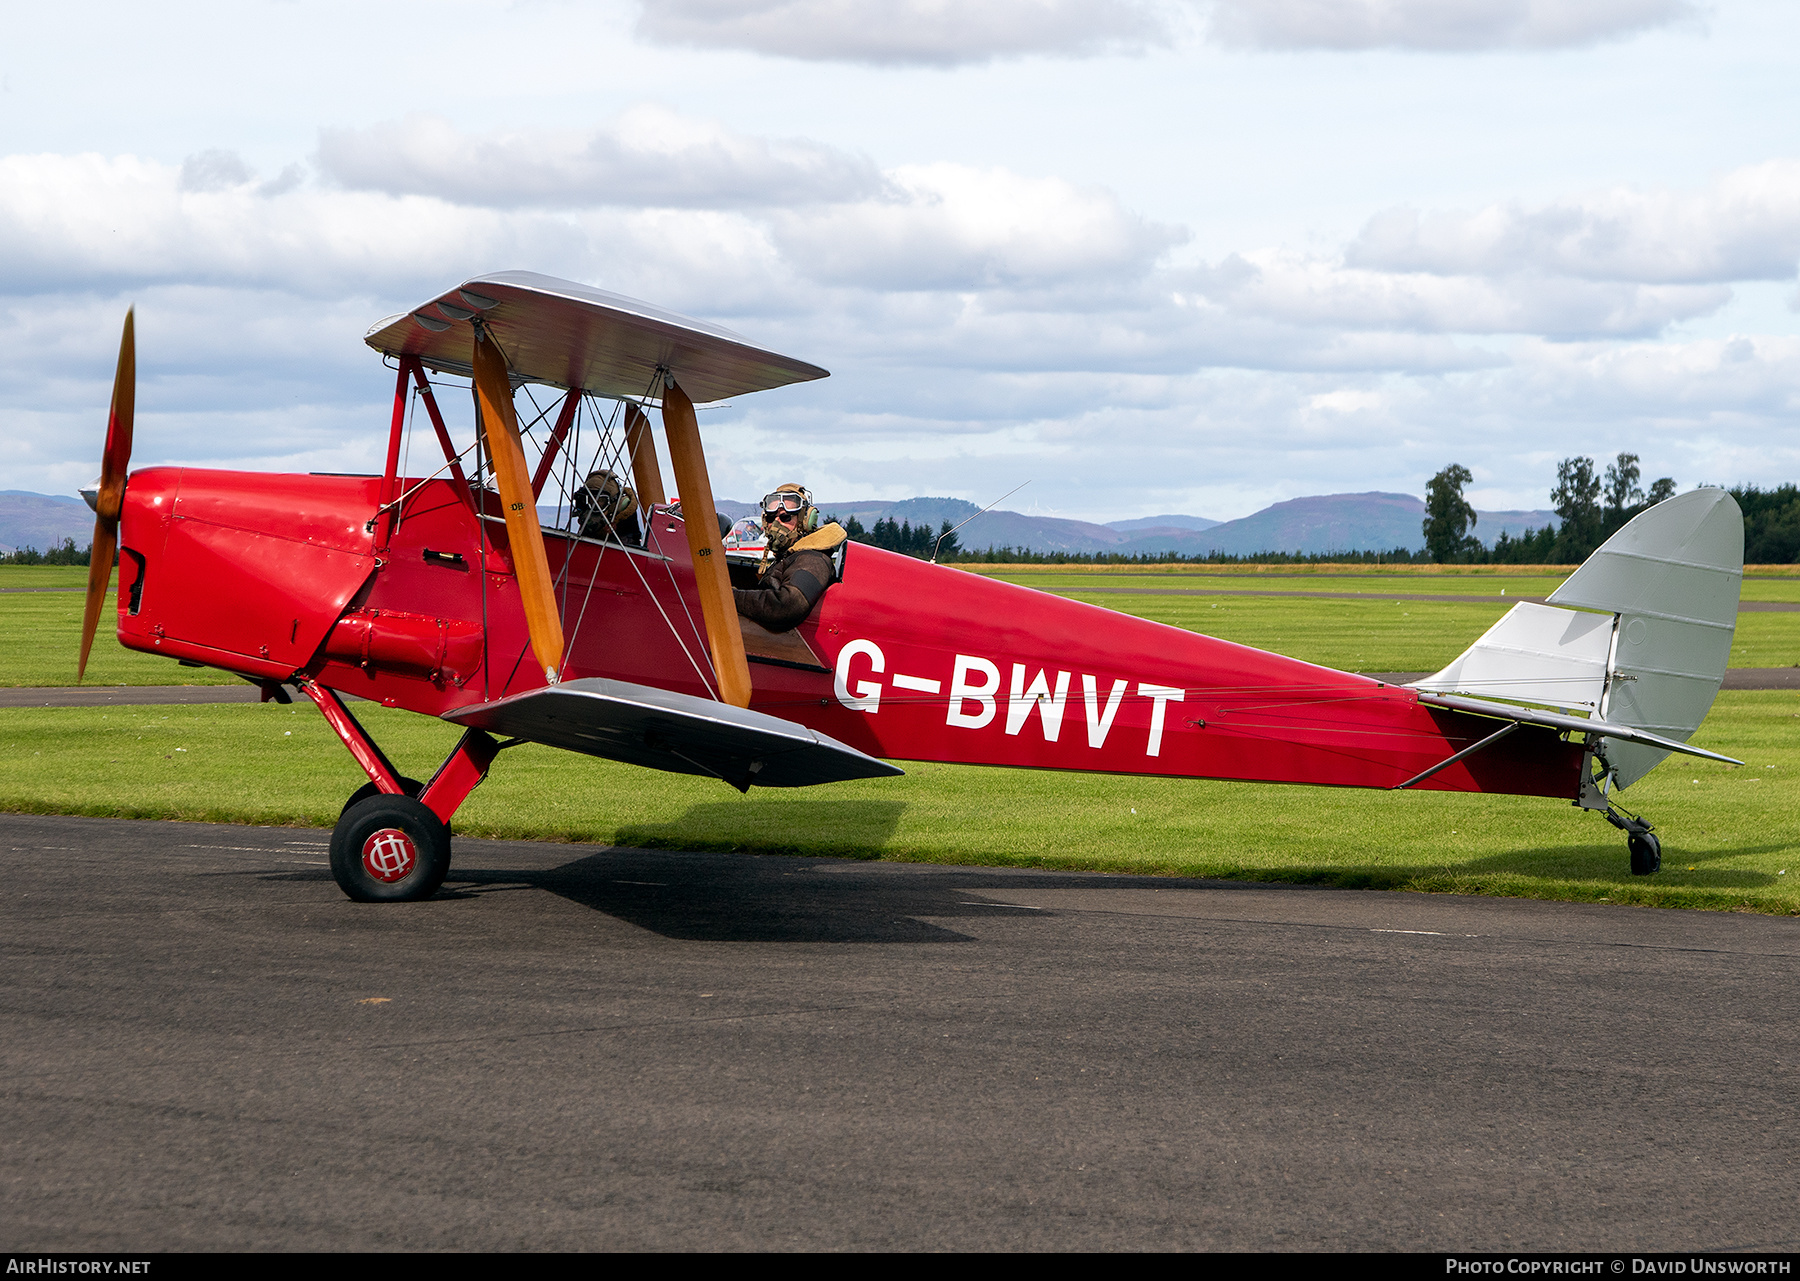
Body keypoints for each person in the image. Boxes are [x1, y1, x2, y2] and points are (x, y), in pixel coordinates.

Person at [733, 483, 846, 632]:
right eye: (772, 518)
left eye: (786, 518)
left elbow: (786, 606)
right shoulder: (791, 556)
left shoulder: (813, 559)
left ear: (804, 522)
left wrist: (729, 597)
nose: (777, 523)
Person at [571, 469, 640, 543]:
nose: (594, 505)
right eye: (589, 500)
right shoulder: (586, 517)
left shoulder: (626, 525)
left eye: (600, 500)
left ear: (613, 503)